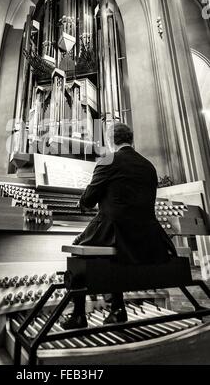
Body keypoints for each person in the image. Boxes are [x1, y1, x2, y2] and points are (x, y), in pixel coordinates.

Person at [61, 122, 177, 330]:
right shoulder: (149, 166)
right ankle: (117, 308)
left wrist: (83, 202)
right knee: (113, 252)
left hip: (116, 228)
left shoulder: (108, 161)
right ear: (131, 140)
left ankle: (79, 315)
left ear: (109, 141)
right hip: (148, 233)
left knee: (77, 249)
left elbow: (88, 199)